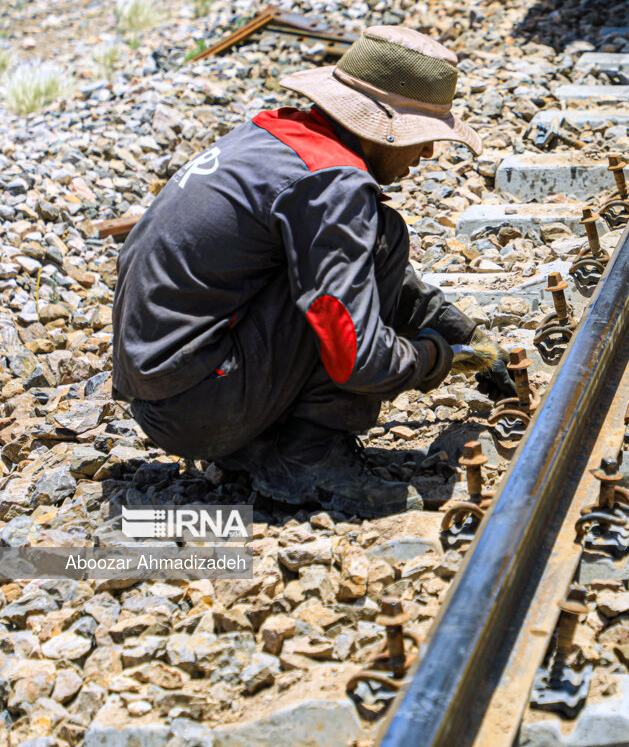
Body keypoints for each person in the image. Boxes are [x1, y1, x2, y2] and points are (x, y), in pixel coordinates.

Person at [111, 26, 515, 517]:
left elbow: (348, 270)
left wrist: (460, 328)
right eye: (422, 137)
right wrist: (438, 358)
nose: (427, 153)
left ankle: (263, 445)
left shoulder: (276, 137)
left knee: (365, 246)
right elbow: (358, 358)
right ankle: (309, 456)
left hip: (165, 394)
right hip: (201, 403)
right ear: (381, 125)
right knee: (384, 234)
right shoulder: (334, 185)